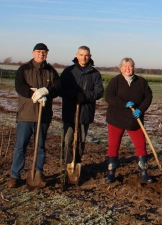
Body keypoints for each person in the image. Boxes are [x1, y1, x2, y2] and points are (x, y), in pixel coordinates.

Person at [7, 43, 61, 188]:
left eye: (44, 52)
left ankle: (38, 172)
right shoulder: (24, 69)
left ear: (47, 54)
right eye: (38, 52)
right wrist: (34, 94)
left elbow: (57, 87)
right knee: (21, 146)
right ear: (33, 53)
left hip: (43, 115)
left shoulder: (51, 71)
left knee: (41, 146)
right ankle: (15, 175)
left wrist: (46, 91)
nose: (41, 54)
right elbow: (19, 86)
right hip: (26, 113)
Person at [104, 57, 153, 183]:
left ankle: (143, 172)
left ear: (134, 68)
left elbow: (148, 97)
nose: (128, 68)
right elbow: (108, 96)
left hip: (135, 120)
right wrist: (124, 104)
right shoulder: (115, 81)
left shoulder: (141, 82)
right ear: (121, 69)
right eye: (125, 66)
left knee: (141, 145)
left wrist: (141, 110)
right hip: (116, 119)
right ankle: (110, 173)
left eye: (130, 66)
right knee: (114, 146)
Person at [60, 46, 104, 183]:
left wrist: (85, 96)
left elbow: (99, 92)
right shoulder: (69, 71)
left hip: (85, 113)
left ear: (90, 56)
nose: (84, 57)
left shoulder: (95, 73)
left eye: (86, 55)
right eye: (81, 54)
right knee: (67, 140)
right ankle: (66, 165)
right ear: (76, 55)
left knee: (80, 140)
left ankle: (77, 163)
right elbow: (60, 89)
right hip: (70, 111)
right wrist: (74, 94)